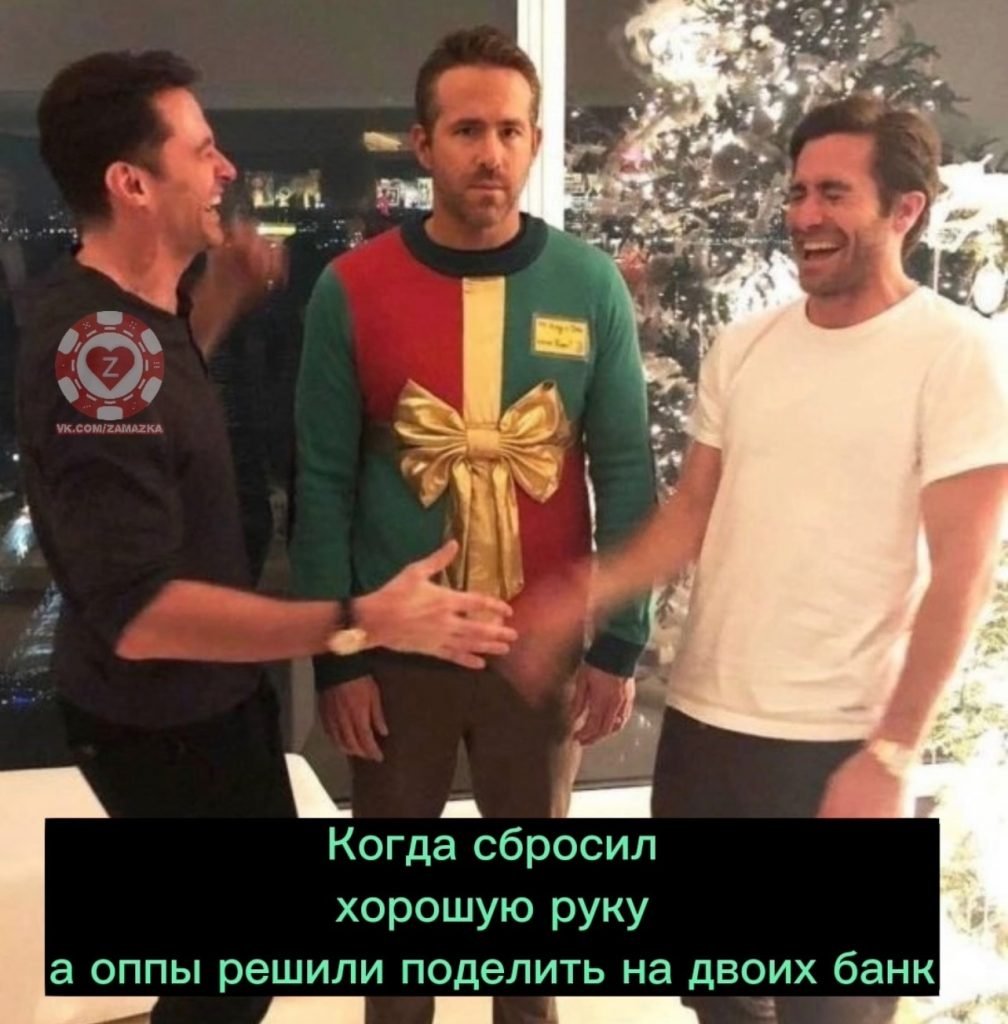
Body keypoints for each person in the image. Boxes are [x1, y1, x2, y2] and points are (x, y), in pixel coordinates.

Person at [16, 49, 518, 1024]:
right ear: (130, 184)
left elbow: (155, 419)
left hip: (207, 698)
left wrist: (218, 306)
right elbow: (141, 614)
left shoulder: (141, 317)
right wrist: (361, 619)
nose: (227, 169)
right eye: (201, 150)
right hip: (159, 719)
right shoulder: (91, 349)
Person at [502, 93, 1008, 1024]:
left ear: (905, 209)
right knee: (716, 1000)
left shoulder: (958, 356)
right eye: (798, 191)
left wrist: (892, 752)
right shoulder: (745, 348)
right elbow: (688, 518)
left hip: (842, 742)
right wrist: (579, 595)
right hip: (706, 732)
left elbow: (964, 573)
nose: (806, 214)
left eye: (834, 193)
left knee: (834, 1012)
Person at [289, 24, 655, 1024]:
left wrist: (620, 642)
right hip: (395, 654)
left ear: (536, 142)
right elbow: (321, 481)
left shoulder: (589, 285)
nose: (489, 153)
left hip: (540, 652)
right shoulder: (350, 289)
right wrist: (338, 655)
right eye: (465, 130)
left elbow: (626, 471)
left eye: (508, 130)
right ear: (423, 143)